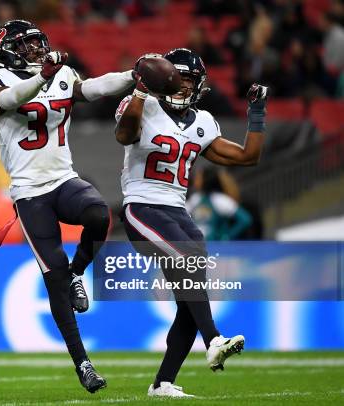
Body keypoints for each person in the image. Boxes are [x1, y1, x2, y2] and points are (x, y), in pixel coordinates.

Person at [0, 19, 138, 393]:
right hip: (29, 192)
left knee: (98, 215)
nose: (33, 50)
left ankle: (81, 272)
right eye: (24, 46)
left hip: (63, 179)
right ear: (6, 50)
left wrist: (133, 74)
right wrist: (42, 77)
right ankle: (83, 364)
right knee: (54, 276)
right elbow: (7, 101)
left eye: (35, 44)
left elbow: (91, 89)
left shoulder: (59, 72)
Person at [114, 48, 268, 397]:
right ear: (160, 80)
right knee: (187, 262)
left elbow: (248, 156)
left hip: (178, 213)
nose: (182, 86)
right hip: (142, 207)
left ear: (199, 85)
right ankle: (213, 338)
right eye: (175, 78)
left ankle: (163, 382)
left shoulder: (203, 122)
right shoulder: (142, 105)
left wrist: (256, 112)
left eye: (189, 79)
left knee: (189, 297)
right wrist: (140, 91)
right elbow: (124, 136)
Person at [187, 167, 252, 240]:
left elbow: (245, 219)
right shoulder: (195, 199)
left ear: (206, 179)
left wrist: (227, 236)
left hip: (215, 247)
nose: (195, 180)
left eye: (198, 178)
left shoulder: (220, 200)